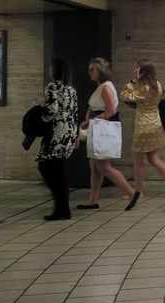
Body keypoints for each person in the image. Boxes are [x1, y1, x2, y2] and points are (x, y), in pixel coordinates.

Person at [78, 58, 140, 211]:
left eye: (93, 69)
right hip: (100, 126)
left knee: (104, 166)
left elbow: (111, 110)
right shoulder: (102, 87)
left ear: (101, 70)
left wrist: (91, 121)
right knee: (95, 165)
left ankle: (131, 192)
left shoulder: (105, 87)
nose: (90, 72)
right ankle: (93, 199)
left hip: (103, 127)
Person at [120, 59, 165, 199]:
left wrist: (133, 81)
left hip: (143, 126)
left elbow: (125, 95)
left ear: (140, 72)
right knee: (154, 158)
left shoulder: (144, 88)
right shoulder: (157, 86)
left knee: (138, 160)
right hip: (155, 124)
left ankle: (138, 191)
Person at [37, 58, 79, 220]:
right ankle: (62, 208)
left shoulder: (52, 86)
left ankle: (61, 208)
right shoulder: (71, 89)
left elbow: (51, 109)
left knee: (46, 166)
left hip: (56, 131)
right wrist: (75, 136)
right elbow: (75, 112)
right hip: (69, 131)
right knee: (58, 169)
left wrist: (41, 117)